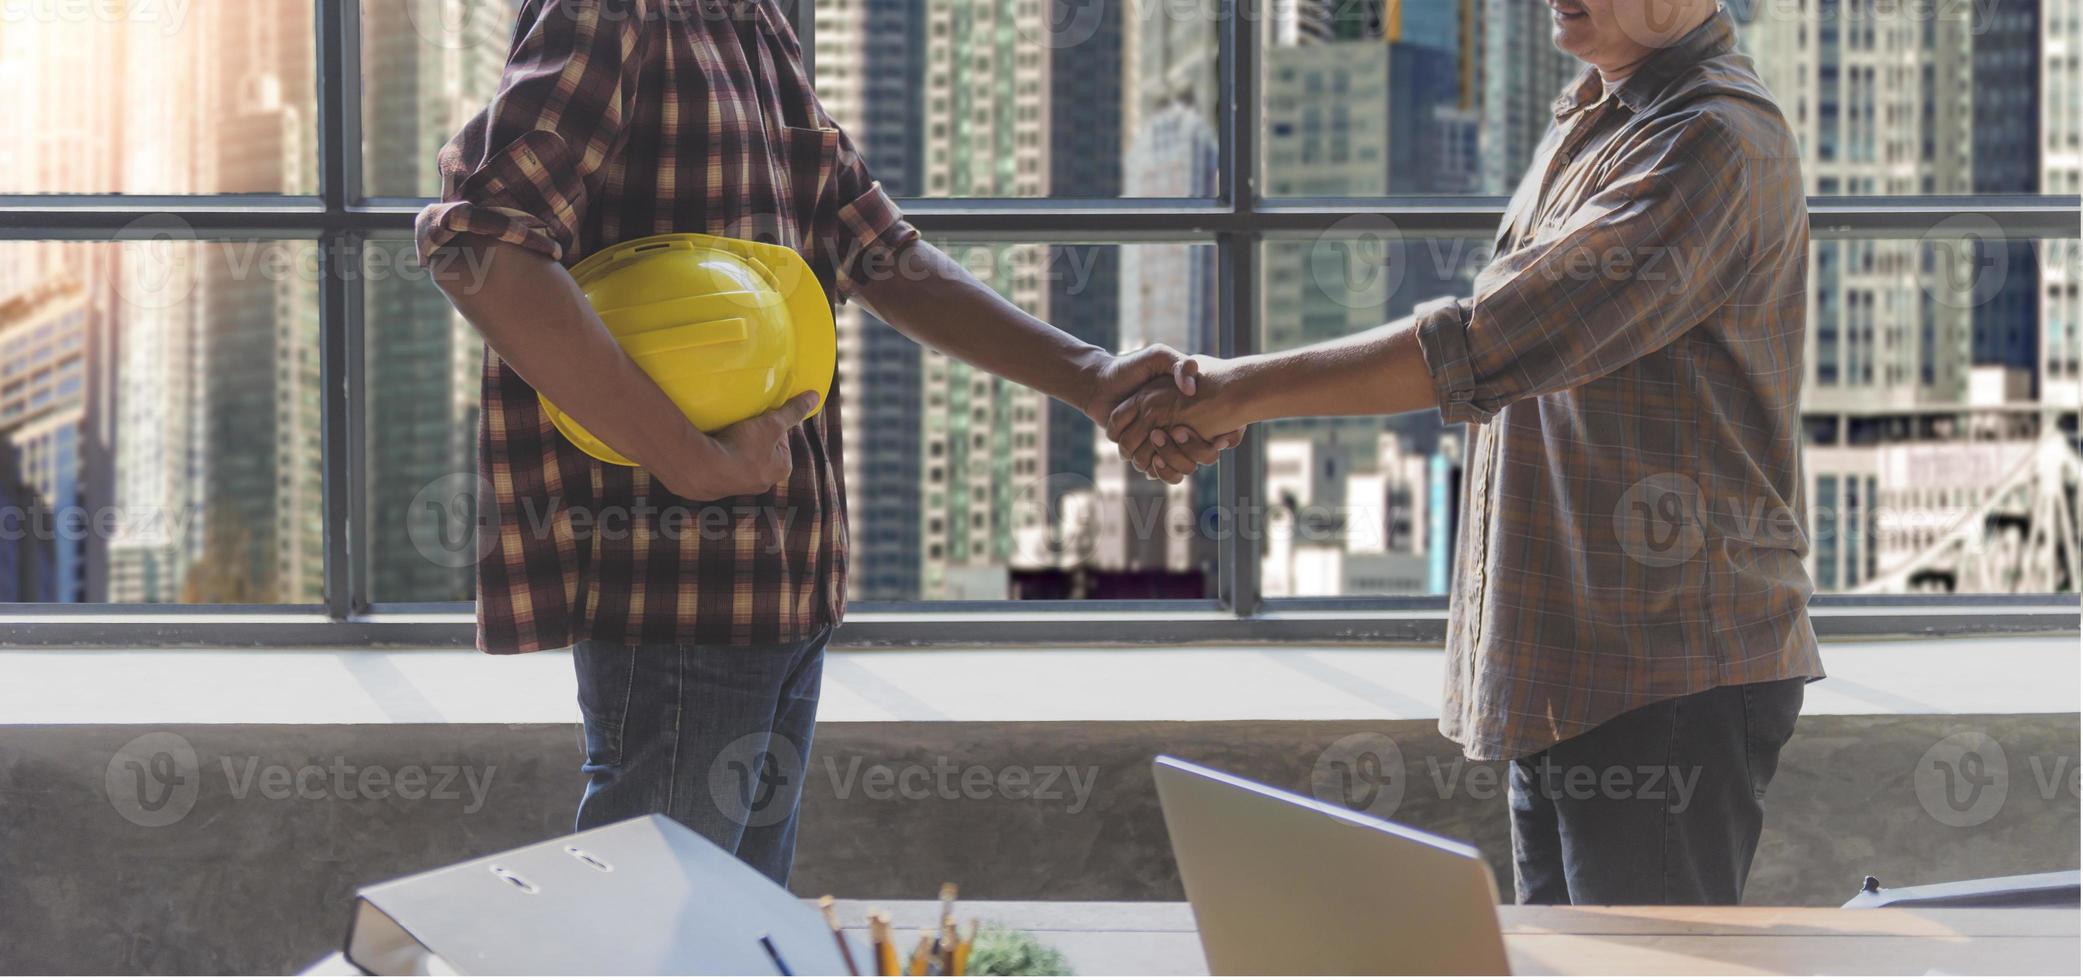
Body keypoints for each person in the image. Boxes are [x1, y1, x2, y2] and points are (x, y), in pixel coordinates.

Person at [416, 0, 1230, 885]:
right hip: (677, 585)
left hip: (782, 580)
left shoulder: (754, 22)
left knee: (722, 936)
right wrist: (690, 460)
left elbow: (872, 245)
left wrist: (1092, 377)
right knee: (645, 932)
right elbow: (480, 244)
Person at [1112, 0, 1823, 905]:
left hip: (1663, 672)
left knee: (1643, 969)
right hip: (1571, 668)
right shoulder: (1598, 117)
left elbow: (1488, 342)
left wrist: (1229, 392)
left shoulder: (1711, 139)